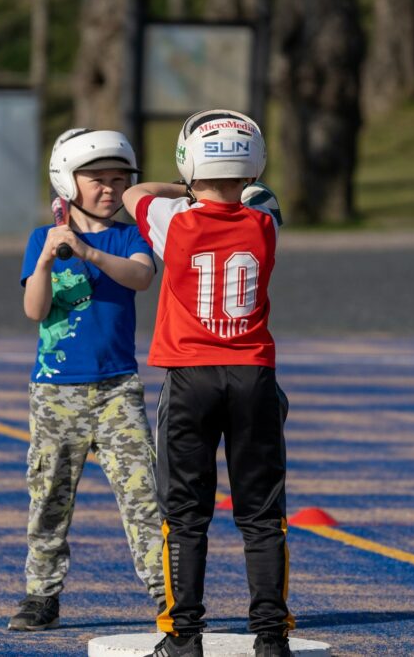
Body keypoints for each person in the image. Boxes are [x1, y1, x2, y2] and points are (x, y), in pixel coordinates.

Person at [123, 110, 294, 657]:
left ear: (189, 162)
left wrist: (187, 188)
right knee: (262, 517)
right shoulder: (264, 221)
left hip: (190, 376)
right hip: (252, 376)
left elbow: (134, 193)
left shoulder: (173, 219)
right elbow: (260, 195)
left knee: (184, 517)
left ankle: (183, 636)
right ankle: (271, 637)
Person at [9, 128, 165, 631]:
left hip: (118, 388)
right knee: (49, 494)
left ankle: (168, 593)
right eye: (97, 179)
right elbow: (35, 310)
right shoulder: (43, 238)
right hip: (56, 390)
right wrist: (47, 259)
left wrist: (89, 252)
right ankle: (41, 595)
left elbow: (142, 276)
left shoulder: (129, 236)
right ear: (66, 182)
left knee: (143, 494)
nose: (110, 188)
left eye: (119, 179)